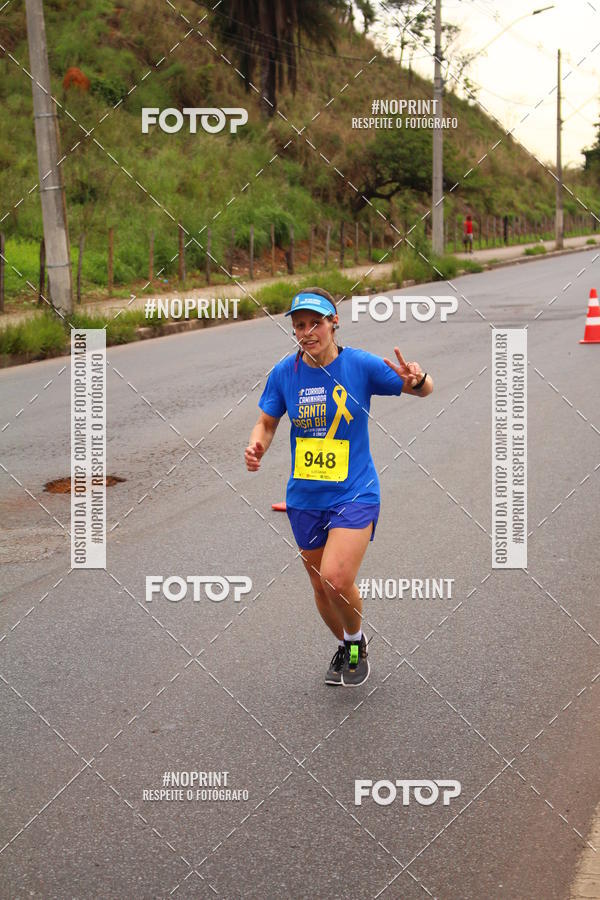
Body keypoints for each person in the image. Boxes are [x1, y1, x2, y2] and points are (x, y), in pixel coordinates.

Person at [244, 288, 433, 687]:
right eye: (299, 325)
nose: (308, 331)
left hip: (355, 492)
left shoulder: (359, 365)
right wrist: (257, 443)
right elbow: (267, 421)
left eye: (316, 323)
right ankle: (353, 642)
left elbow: (420, 389)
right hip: (305, 497)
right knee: (320, 585)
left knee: (335, 577)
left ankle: (352, 643)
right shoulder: (285, 373)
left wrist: (419, 379)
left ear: (334, 323)